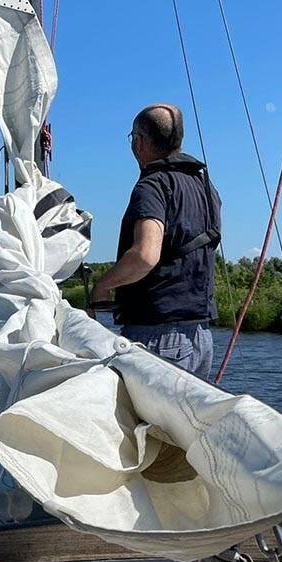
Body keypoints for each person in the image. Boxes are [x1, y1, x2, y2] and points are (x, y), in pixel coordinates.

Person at [88, 103, 221, 378]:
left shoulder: (153, 186)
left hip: (158, 337)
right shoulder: (206, 187)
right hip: (200, 338)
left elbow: (145, 256)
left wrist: (102, 286)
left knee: (144, 422)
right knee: (180, 421)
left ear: (139, 142)